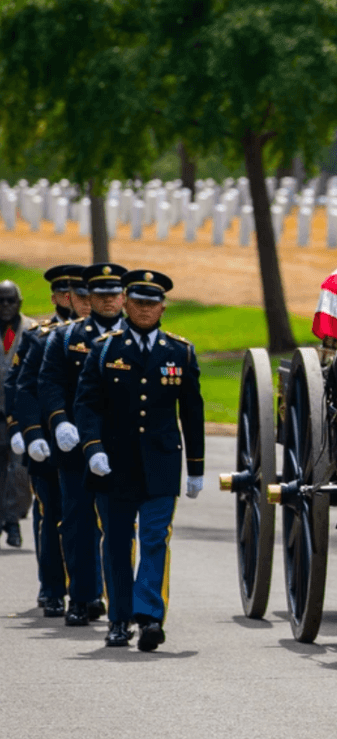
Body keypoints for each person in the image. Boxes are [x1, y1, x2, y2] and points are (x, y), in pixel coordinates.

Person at [75, 270, 204, 649]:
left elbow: (192, 413)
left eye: (153, 303)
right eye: (139, 303)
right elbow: (86, 405)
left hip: (162, 463)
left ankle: (149, 617)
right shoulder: (105, 349)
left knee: (154, 538)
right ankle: (118, 619)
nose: (145, 310)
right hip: (114, 465)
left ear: (163, 307)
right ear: (126, 304)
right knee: (116, 542)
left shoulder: (179, 351)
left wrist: (195, 468)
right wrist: (92, 448)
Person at [38, 263, 127, 625]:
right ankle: (82, 596)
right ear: (87, 298)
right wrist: (59, 421)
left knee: (117, 525)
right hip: (75, 446)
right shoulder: (66, 337)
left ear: (123, 297)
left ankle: (115, 596)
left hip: (119, 446)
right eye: (99, 295)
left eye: (113, 294)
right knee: (77, 523)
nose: (107, 302)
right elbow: (50, 382)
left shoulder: (135, 337)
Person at [6, 265, 84, 613]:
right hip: (49, 444)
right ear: (55, 297)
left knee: (87, 520)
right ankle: (52, 587)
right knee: (51, 514)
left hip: (89, 441)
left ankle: (87, 589)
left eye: (79, 293)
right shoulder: (40, 335)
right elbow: (20, 386)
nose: (72, 299)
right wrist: (23, 430)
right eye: (65, 293)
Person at [1, 280, 37, 548]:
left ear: (19, 303)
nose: (5, 306)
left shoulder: (32, 331)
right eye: (0, 301)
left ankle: (13, 520)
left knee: (20, 471)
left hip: (22, 412)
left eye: (10, 301)